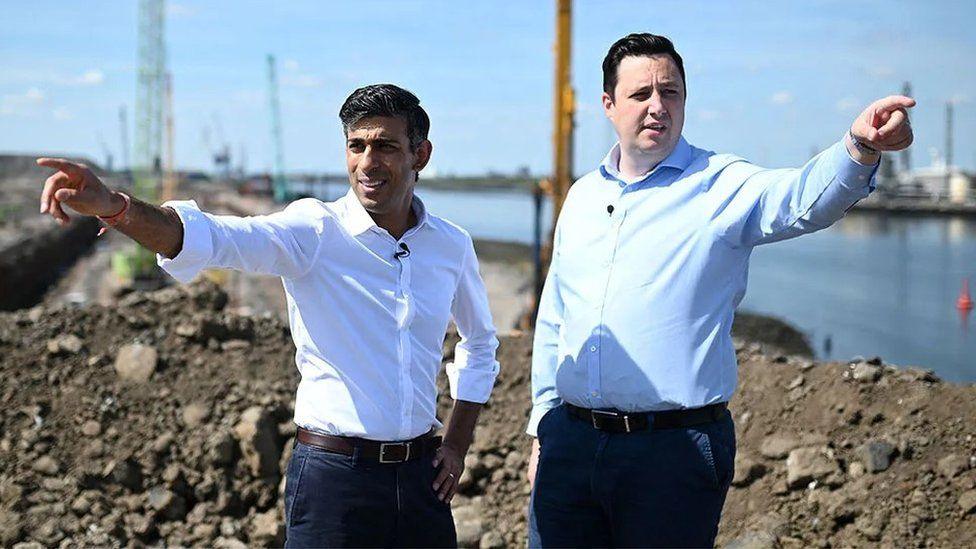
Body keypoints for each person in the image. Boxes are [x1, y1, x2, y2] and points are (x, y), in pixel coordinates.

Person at [37, 84, 500, 548]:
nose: (367, 162)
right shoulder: (314, 230)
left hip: (422, 479)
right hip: (335, 480)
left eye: (385, 146)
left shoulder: (451, 244)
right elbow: (212, 237)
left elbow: (479, 343)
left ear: (421, 154)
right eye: (356, 146)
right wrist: (116, 208)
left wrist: (456, 444)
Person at [526, 33, 913, 548]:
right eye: (641, 94)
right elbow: (556, 314)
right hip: (569, 444)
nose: (657, 107)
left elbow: (800, 199)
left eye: (671, 93)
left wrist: (859, 147)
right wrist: (541, 427)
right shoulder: (581, 195)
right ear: (608, 104)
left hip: (672, 452)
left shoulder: (721, 183)